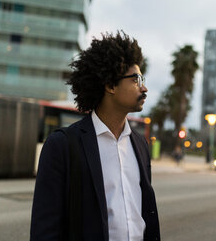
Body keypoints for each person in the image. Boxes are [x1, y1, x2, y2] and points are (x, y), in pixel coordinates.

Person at [30, 31, 160, 241]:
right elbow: (45, 228)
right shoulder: (62, 145)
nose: (144, 88)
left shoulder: (140, 144)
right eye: (136, 79)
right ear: (110, 85)